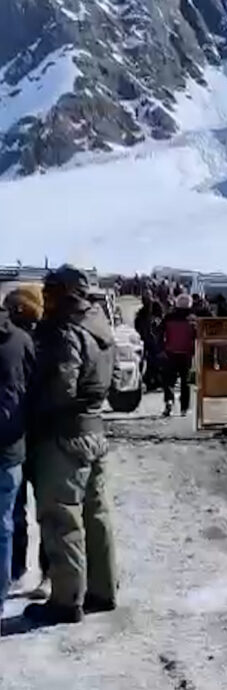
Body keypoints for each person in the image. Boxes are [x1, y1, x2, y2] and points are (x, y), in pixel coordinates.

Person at [24, 265, 116, 626]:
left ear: (64, 293)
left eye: (49, 291)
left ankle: (65, 600)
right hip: (95, 430)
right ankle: (102, 591)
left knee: (61, 517)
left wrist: (35, 409)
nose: (44, 298)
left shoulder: (64, 330)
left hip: (64, 434)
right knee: (97, 515)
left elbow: (62, 386)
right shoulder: (99, 324)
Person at [3, 287, 49, 599]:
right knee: (28, 510)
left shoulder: (36, 341)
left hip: (26, 438)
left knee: (18, 512)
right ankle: (22, 571)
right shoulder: (32, 340)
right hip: (31, 437)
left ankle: (20, 571)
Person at [0, 294, 35, 630]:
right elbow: (34, 388)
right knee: (7, 521)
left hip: (13, 443)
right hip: (13, 444)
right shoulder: (23, 340)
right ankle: (11, 577)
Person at [160, 294, 197, 417]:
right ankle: (184, 408)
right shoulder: (192, 319)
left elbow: (159, 333)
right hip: (186, 354)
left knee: (168, 380)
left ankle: (169, 402)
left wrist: (161, 348)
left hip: (170, 352)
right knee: (185, 382)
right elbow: (196, 336)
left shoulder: (168, 317)